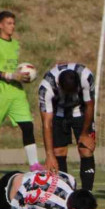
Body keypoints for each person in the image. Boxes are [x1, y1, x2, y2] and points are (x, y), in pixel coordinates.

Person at [0, 11, 41, 178]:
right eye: (8, 23)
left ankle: (34, 164)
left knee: (28, 126)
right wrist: (11, 75)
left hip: (16, 92)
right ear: (0, 25)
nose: (12, 26)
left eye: (13, 23)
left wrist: (23, 75)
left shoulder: (15, 44)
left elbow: (15, 68)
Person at [38, 62, 97, 191]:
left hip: (81, 111)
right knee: (58, 152)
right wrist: (49, 155)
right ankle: (65, 191)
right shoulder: (46, 87)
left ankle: (87, 192)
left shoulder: (86, 76)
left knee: (85, 149)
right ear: (59, 86)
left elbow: (90, 105)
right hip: (58, 112)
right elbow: (46, 123)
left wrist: (85, 134)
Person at [0, 170, 98, 209]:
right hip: (5, 199)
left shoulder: (69, 180)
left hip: (13, 175)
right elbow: (29, 207)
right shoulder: (55, 207)